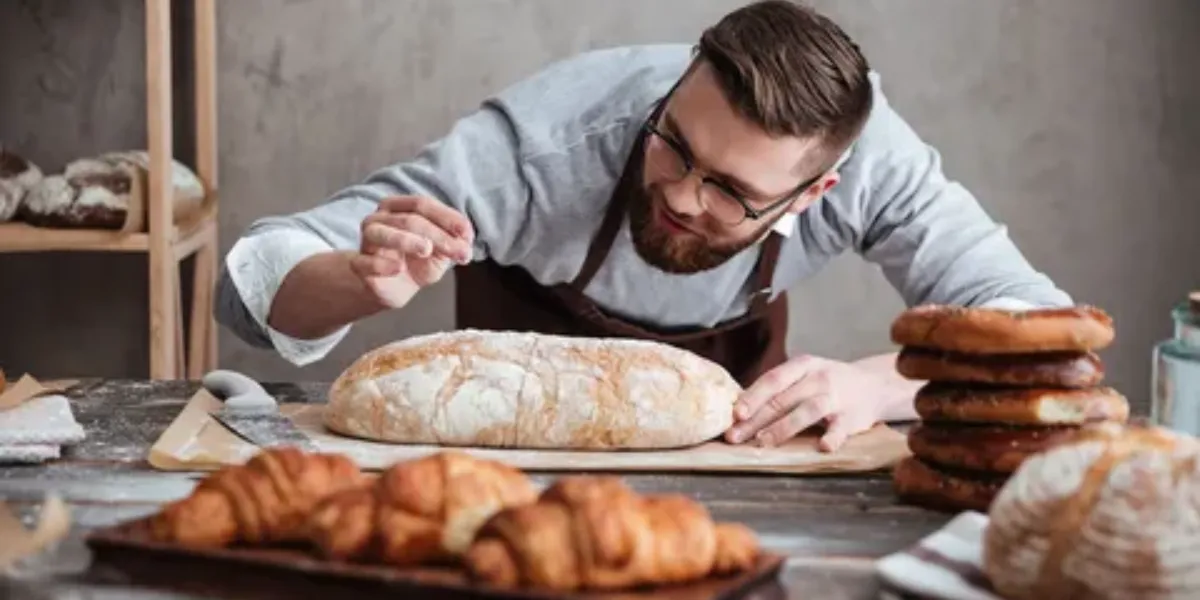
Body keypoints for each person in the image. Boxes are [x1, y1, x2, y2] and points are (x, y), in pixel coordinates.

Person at [215, 0, 1072, 452]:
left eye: (732, 190)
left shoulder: (877, 160)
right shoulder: (544, 147)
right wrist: (357, 283)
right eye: (675, 145)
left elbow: (1042, 332)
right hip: (511, 467)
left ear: (817, 194)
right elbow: (248, 288)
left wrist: (883, 388)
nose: (686, 197)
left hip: (745, 467)